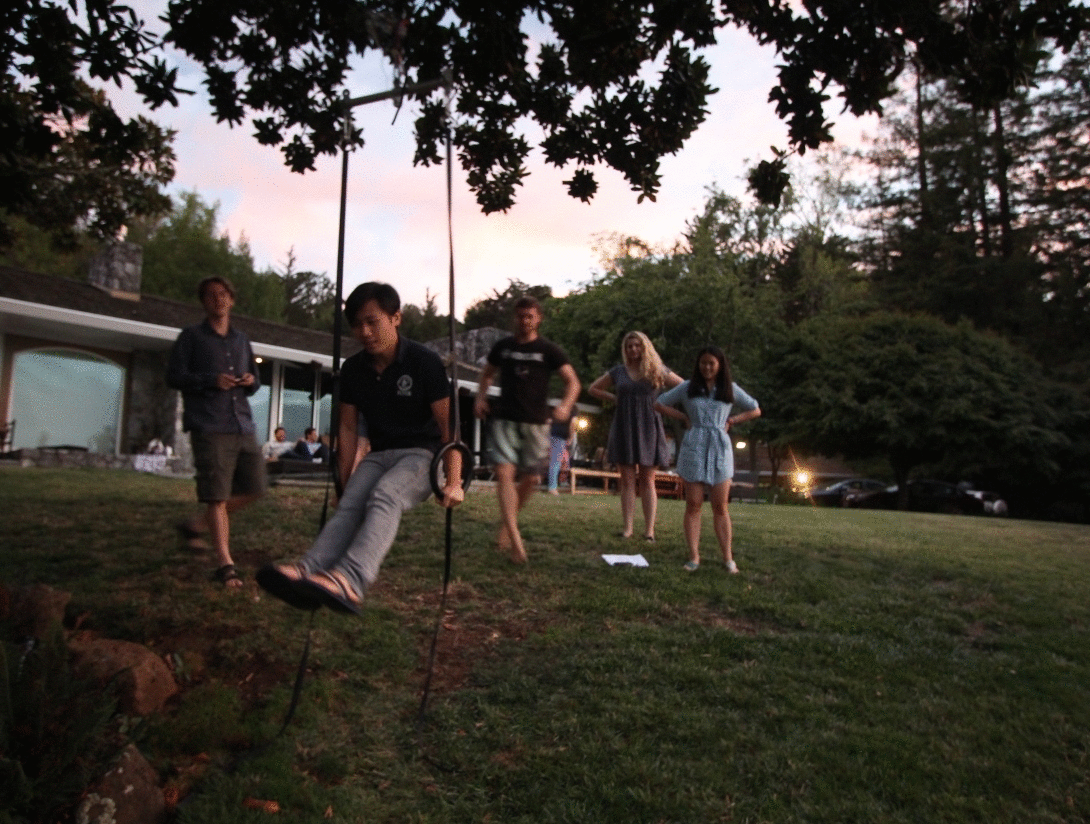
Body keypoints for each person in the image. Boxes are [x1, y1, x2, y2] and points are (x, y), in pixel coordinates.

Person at [257, 282, 463, 614]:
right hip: (380, 454)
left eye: (372, 321)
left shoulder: (424, 362)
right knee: (352, 502)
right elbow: (348, 429)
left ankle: (351, 580)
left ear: (396, 318)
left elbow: (449, 426)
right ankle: (308, 570)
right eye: (356, 324)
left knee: (386, 495)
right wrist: (343, 485)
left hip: (423, 454)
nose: (364, 332)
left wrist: (453, 481)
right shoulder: (354, 369)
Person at [166, 276, 266, 589]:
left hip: (242, 423)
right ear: (203, 302)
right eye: (211, 295)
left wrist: (250, 381)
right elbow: (174, 376)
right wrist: (211, 380)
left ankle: (195, 526)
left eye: (223, 294)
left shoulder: (242, 340)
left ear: (231, 299)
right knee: (217, 496)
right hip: (210, 425)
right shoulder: (191, 337)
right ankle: (225, 564)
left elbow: (256, 382)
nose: (218, 299)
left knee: (255, 487)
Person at [474, 296, 581, 563]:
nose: (524, 321)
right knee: (504, 474)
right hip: (504, 420)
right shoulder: (503, 347)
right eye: (520, 316)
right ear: (515, 318)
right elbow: (487, 374)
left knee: (532, 479)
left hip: (536, 423)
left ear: (538, 318)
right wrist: (480, 398)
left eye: (529, 316)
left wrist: (565, 406)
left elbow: (573, 382)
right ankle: (515, 540)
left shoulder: (548, 350)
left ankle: (506, 524)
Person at [654, 346, 760, 573]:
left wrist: (733, 420)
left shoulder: (729, 388)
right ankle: (694, 556)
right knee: (693, 504)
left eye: (712, 363)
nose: (707, 367)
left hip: (720, 448)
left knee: (720, 506)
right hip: (694, 446)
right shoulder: (687, 387)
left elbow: (755, 409)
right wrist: (683, 417)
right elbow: (659, 403)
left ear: (720, 365)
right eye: (703, 363)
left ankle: (728, 558)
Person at [588, 331, 683, 540]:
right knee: (627, 480)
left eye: (637, 345)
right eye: (629, 346)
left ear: (644, 347)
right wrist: (615, 399)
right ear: (625, 349)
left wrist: (664, 403)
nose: (633, 349)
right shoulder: (618, 371)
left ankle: (649, 531)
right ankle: (628, 529)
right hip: (624, 425)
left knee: (648, 480)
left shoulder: (655, 370)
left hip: (649, 425)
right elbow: (593, 389)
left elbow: (684, 386)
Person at [546, 415, 574, 495]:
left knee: (557, 461)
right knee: (556, 462)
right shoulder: (571, 412)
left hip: (553, 436)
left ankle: (555, 484)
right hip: (558, 436)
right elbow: (573, 422)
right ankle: (553, 487)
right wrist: (570, 438)